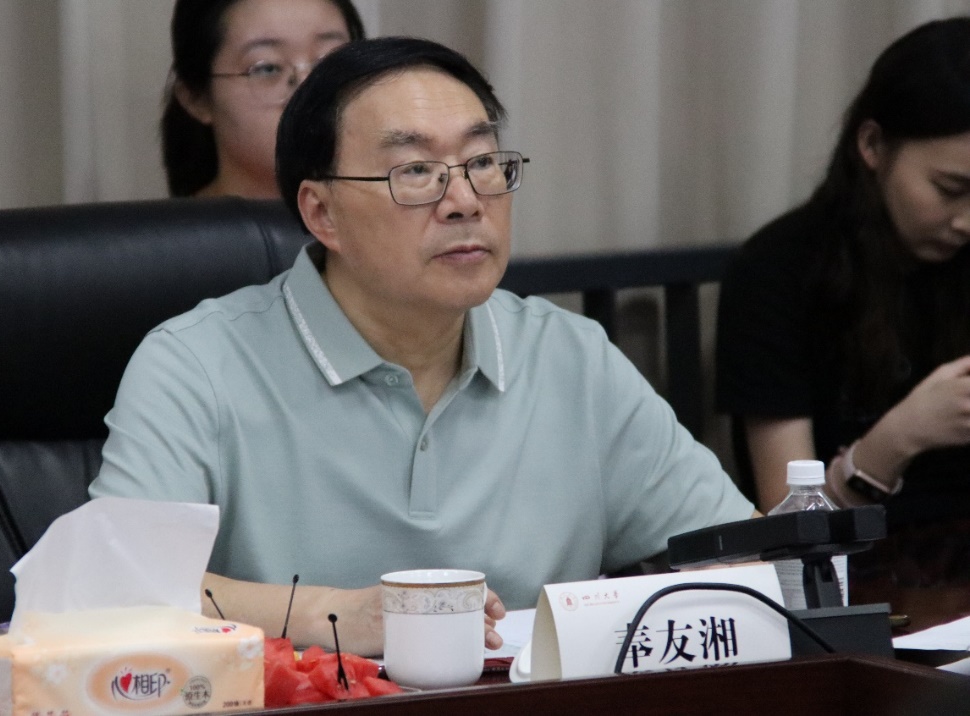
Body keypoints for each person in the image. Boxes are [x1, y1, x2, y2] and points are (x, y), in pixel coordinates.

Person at [93, 36, 756, 657]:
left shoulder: (571, 358)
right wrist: (337, 616)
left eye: (483, 162)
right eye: (415, 171)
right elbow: (113, 588)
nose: (465, 200)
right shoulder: (196, 365)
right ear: (322, 213)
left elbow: (748, 563)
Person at [716, 18, 970, 611]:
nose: (966, 222)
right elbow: (785, 524)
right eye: (949, 188)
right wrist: (900, 436)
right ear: (873, 145)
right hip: (854, 587)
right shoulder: (778, 270)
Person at [161, 0, 365, 198]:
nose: (309, 94)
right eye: (268, 68)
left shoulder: (377, 216)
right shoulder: (176, 223)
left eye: (329, 62)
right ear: (196, 99)